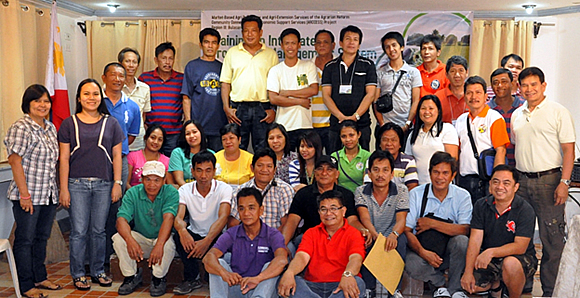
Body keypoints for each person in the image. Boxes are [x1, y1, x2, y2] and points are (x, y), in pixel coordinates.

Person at [511, 67, 575, 297]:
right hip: (521, 183)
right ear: (519, 88)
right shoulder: (517, 114)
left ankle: (550, 290)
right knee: (521, 237)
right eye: (524, 85)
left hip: (549, 181)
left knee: (552, 239)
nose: (529, 89)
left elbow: (569, 151)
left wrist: (564, 183)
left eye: (533, 84)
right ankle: (524, 284)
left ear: (543, 85)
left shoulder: (558, 111)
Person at [58, 79, 124, 290]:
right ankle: (78, 273)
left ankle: (98, 271)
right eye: (86, 94)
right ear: (79, 98)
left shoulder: (111, 122)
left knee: (99, 231)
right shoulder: (69, 123)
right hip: (76, 185)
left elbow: (117, 155)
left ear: (100, 97)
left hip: (104, 184)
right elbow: (64, 158)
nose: (91, 98)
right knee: (78, 231)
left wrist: (117, 183)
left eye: (95, 94)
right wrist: (64, 188)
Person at [4, 85, 61, 298]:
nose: (42, 105)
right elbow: (15, 161)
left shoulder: (50, 127)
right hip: (27, 195)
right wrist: (24, 195)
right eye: (37, 101)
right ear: (28, 103)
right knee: (25, 239)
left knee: (41, 237)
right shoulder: (22, 127)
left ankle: (40, 277)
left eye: (46, 101)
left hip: (47, 194)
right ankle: (26, 285)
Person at [461, 165, 537, 298]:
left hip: (518, 257)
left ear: (516, 187)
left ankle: (513, 294)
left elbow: (520, 246)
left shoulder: (525, 209)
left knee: (510, 264)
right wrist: (468, 272)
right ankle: (497, 286)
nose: (500, 187)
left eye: (506, 183)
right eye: (496, 182)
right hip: (489, 258)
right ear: (490, 184)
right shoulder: (481, 205)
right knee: (472, 286)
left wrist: (491, 252)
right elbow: (475, 240)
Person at [405, 152, 472, 298]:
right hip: (422, 250)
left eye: (445, 173)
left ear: (453, 175)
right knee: (411, 264)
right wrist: (423, 253)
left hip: (449, 252)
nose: (440, 177)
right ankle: (440, 285)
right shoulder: (416, 194)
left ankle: (456, 289)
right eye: (436, 172)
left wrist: (432, 224)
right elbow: (407, 230)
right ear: (429, 174)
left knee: (462, 242)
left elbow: (465, 229)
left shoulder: (463, 195)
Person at [278, 190, 367, 298]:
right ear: (319, 212)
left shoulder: (354, 233)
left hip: (341, 284)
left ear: (343, 211)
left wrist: (347, 274)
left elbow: (356, 259)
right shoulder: (311, 233)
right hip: (312, 286)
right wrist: (290, 272)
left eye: (333, 208)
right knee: (291, 280)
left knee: (358, 283)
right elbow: (302, 256)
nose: (328, 213)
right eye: (323, 209)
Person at [203, 188, 288, 298]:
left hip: (262, 288)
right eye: (241, 209)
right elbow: (208, 257)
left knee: (271, 265)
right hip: (238, 287)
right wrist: (224, 273)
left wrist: (258, 278)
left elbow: (282, 260)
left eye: (251, 208)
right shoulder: (232, 233)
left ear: (261, 210)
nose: (246, 213)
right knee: (218, 262)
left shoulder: (272, 234)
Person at [113, 161, 179, 296]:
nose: (152, 184)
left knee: (168, 244)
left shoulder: (171, 192)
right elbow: (121, 220)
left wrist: (159, 244)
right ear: (142, 179)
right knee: (118, 238)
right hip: (142, 238)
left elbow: (169, 218)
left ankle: (158, 278)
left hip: (162, 238)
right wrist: (130, 240)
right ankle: (131, 276)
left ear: (164, 180)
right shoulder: (133, 192)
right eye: (148, 179)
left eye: (157, 180)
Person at [172, 151, 232, 294]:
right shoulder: (185, 189)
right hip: (194, 234)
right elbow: (178, 217)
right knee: (178, 237)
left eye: (208, 170)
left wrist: (207, 240)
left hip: (216, 235)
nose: (203, 176)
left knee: (226, 239)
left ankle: (210, 274)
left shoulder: (224, 188)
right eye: (199, 170)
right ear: (192, 171)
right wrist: (183, 232)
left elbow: (223, 217)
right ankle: (192, 278)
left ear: (214, 171)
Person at [282, 155, 365, 255]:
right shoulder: (303, 194)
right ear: (314, 173)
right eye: (320, 169)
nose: (324, 173)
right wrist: (281, 245)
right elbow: (292, 222)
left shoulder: (346, 194)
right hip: (310, 239)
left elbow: (352, 220)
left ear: (337, 174)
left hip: (339, 238)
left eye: (329, 169)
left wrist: (363, 230)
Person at [220, 14, 278, 151]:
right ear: (242, 33)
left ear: (260, 32)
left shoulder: (271, 54)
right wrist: (226, 108)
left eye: (253, 30)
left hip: (263, 108)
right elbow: (225, 83)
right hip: (238, 109)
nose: (249, 34)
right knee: (237, 147)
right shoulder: (232, 53)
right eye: (246, 31)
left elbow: (276, 86)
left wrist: (274, 110)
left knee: (263, 148)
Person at [356, 150, 409, 297]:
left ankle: (395, 290)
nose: (380, 175)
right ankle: (368, 289)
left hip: (391, 233)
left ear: (392, 174)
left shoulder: (401, 190)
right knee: (364, 239)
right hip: (370, 231)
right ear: (369, 173)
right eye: (376, 170)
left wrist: (394, 234)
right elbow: (364, 217)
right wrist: (373, 234)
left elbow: (401, 219)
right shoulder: (360, 191)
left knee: (402, 240)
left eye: (385, 170)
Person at [322, 25, 377, 152]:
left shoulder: (367, 65)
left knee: (362, 162)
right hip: (337, 124)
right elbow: (326, 95)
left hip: (361, 123)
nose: (351, 42)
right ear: (341, 43)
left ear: (359, 44)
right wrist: (340, 116)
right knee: (335, 161)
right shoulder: (330, 66)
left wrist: (356, 116)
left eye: (355, 39)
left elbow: (370, 95)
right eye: (348, 39)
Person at [456, 76, 509, 204]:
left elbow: (500, 151)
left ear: (486, 96)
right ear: (464, 96)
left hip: (486, 181)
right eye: (469, 93)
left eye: (478, 92)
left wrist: (496, 182)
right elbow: (457, 152)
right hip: (464, 181)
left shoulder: (495, 118)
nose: (474, 97)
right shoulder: (460, 120)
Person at [267, 28, 318, 150]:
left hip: (305, 125)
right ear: (282, 45)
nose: (290, 47)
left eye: (293, 43)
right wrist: (300, 101)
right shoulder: (275, 70)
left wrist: (287, 93)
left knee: (305, 162)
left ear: (299, 45)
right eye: (287, 43)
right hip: (284, 127)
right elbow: (273, 99)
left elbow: (313, 90)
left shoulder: (308, 66)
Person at [181, 28, 227, 151]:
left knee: (217, 165)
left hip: (219, 127)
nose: (210, 46)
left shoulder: (223, 67)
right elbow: (186, 97)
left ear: (218, 45)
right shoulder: (192, 66)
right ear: (201, 44)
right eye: (207, 42)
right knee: (198, 164)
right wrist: (188, 122)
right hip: (198, 128)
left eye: (214, 42)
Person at [229, 148, 295, 230]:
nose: (264, 170)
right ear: (252, 168)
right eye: (260, 165)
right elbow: (233, 223)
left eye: (269, 166)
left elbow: (286, 224)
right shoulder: (241, 190)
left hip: (275, 238)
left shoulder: (284, 189)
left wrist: (272, 240)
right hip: (247, 238)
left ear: (275, 169)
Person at [139, 42, 184, 156]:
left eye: (170, 59)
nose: (167, 62)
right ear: (156, 59)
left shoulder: (181, 79)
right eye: (164, 58)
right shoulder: (145, 78)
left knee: (171, 167)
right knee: (151, 166)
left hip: (174, 134)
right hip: (152, 134)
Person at [405, 95, 458, 185]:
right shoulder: (413, 134)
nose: (427, 112)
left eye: (431, 108)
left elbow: (453, 160)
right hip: (419, 186)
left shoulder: (447, 129)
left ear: (438, 111)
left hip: (442, 185)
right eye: (423, 108)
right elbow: (409, 161)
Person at [374, 31, 422, 131]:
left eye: (394, 45)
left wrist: (407, 124)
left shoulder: (414, 72)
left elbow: (415, 100)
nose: (391, 49)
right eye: (387, 47)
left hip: (405, 126)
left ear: (402, 47)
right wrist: (382, 124)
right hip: (385, 127)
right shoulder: (379, 73)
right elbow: (375, 101)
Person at [487, 68, 525, 167]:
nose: (500, 86)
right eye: (496, 83)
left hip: (521, 168)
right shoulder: (486, 110)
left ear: (513, 84)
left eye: (504, 82)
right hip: (493, 167)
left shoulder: (524, 107)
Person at [365, 122, 418, 190]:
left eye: (393, 140)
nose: (389, 143)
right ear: (379, 143)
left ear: (400, 144)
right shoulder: (372, 160)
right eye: (385, 140)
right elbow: (368, 185)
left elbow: (412, 187)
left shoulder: (408, 161)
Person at [118, 47, 151, 152]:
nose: (131, 65)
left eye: (134, 62)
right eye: (127, 61)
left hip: (138, 141)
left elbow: (143, 115)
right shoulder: (110, 88)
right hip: (117, 140)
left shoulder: (145, 88)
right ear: (120, 63)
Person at [311, 29, 337, 154]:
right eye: (318, 42)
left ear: (333, 45)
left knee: (333, 160)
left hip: (333, 123)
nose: (322, 45)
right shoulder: (307, 67)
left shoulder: (340, 65)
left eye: (325, 42)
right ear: (315, 46)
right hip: (311, 124)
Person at [168, 120, 213, 188]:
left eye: (194, 132)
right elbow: (179, 179)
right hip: (185, 192)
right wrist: (191, 193)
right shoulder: (177, 153)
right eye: (187, 134)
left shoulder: (211, 154)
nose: (191, 136)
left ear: (201, 133)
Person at [331, 120, 371, 193]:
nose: (348, 139)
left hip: (361, 197)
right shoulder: (334, 156)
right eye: (343, 136)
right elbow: (333, 183)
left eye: (351, 135)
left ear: (359, 134)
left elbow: (367, 184)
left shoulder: (368, 156)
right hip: (340, 198)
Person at [127, 124, 169, 188]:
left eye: (160, 139)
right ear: (145, 138)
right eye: (153, 138)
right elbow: (126, 183)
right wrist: (134, 196)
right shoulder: (132, 157)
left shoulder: (167, 161)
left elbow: (168, 186)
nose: (156, 142)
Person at [214, 123, 254, 189]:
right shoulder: (215, 158)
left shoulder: (250, 158)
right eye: (224, 139)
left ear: (239, 139)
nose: (228, 142)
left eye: (231, 138)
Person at [434, 55, 469, 125]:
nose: (457, 75)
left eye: (461, 71)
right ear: (446, 74)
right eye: (453, 71)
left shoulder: (472, 95)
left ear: (467, 73)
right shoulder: (438, 97)